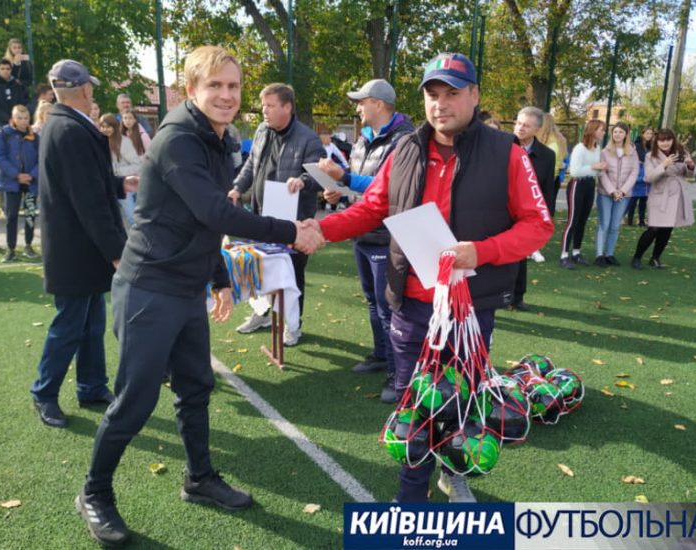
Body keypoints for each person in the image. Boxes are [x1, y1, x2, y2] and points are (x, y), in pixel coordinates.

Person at [76, 45, 322, 547]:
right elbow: (216, 212)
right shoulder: (178, 139)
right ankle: (94, 492)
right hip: (149, 288)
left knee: (195, 387)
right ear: (191, 90)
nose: (227, 95)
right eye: (215, 85)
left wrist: (219, 278)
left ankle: (199, 478)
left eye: (234, 86)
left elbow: (202, 218)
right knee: (136, 400)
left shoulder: (218, 136)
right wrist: (291, 231)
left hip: (186, 288)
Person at [310, 52, 553, 502]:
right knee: (413, 409)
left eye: (452, 93)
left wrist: (480, 251)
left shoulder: (507, 153)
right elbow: (372, 207)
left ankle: (452, 473)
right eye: (433, 94)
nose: (441, 104)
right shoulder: (405, 148)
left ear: (474, 96)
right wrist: (319, 230)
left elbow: (538, 225)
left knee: (459, 403)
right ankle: (411, 497)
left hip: (468, 311)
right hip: (410, 306)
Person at [30, 59, 136, 428]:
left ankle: (91, 386)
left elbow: (84, 183)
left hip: (77, 247)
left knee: (90, 322)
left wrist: (120, 185)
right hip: (77, 248)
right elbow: (88, 200)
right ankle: (44, 392)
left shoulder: (62, 123)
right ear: (86, 89)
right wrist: (116, 252)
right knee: (71, 325)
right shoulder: (70, 128)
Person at [317, 78, 414, 404]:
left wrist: (344, 177)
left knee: (389, 308)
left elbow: (392, 187)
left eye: (362, 101)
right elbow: (364, 188)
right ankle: (381, 355)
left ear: (379, 104)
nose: (357, 107)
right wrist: (339, 191)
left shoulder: (404, 141)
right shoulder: (362, 141)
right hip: (363, 232)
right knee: (374, 301)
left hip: (388, 235)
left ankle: (398, 375)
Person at [229, 82, 326, 346]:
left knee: (292, 274)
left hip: (294, 222)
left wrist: (303, 180)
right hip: (261, 217)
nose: (264, 111)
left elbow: (320, 174)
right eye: (263, 106)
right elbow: (251, 164)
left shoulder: (308, 138)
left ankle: (293, 326)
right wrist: (238, 187)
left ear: (287, 107)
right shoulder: (262, 130)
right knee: (260, 269)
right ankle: (262, 314)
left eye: (270, 106)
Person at [631, 128, 695, 270]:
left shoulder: (682, 152)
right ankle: (637, 257)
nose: (665, 143)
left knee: (667, 228)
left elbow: (688, 174)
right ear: (657, 141)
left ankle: (655, 258)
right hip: (660, 194)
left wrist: (690, 166)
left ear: (673, 140)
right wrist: (663, 165)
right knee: (654, 227)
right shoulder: (650, 156)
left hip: (677, 193)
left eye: (668, 140)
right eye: (661, 140)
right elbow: (649, 177)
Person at [511, 106, 555, 310]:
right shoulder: (502, 146)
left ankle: (517, 297)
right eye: (518, 123)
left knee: (520, 257)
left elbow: (547, 189)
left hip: (526, 214)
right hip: (499, 209)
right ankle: (497, 296)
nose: (520, 128)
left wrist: (546, 217)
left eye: (526, 125)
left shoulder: (547, 155)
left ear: (537, 129)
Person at [0, 104, 40, 261]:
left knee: (30, 214)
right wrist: (16, 175)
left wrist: (31, 175)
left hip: (30, 182)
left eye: (26, 118)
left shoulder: (35, 137)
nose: (23, 121)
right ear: (13, 119)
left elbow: (41, 158)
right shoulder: (4, 134)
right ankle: (11, 248)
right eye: (19, 118)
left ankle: (28, 245)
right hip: (10, 182)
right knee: (11, 216)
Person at [559, 119, 606, 269]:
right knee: (573, 220)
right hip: (577, 185)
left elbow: (595, 171)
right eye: (601, 129)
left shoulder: (597, 148)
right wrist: (594, 166)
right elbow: (574, 171)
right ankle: (564, 255)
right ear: (593, 130)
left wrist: (600, 169)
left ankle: (576, 252)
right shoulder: (580, 148)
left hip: (590, 185)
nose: (603, 132)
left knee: (582, 221)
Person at [594, 122, 638, 267]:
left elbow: (634, 173)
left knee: (615, 226)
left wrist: (622, 191)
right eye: (615, 132)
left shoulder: (632, 152)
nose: (617, 134)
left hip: (624, 195)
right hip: (605, 194)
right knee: (604, 224)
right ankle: (599, 255)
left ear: (626, 134)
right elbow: (602, 173)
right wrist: (612, 191)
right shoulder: (604, 152)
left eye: (621, 132)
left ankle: (609, 254)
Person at [116, 109, 151, 226]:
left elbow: (151, 156)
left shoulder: (142, 136)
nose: (127, 121)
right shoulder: (119, 137)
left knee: (143, 213)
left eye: (130, 118)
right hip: (124, 178)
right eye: (125, 118)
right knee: (131, 215)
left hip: (141, 178)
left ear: (135, 120)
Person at [536, 112, 568, 220]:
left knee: (543, 209)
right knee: (549, 207)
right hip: (555, 178)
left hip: (546, 180)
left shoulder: (550, 143)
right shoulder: (559, 140)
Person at [0, 58, 29, 129]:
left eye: (8, 69)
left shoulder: (17, 84)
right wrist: (8, 118)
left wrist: (18, 117)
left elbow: (22, 101)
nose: (5, 71)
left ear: (11, 70)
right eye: (2, 69)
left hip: (17, 121)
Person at [625, 127, 653, 226]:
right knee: (633, 199)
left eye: (650, 133)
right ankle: (630, 220)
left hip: (647, 173)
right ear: (642, 134)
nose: (649, 135)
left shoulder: (650, 146)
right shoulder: (636, 145)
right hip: (638, 172)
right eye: (647, 133)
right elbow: (640, 158)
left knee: (644, 199)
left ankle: (641, 220)